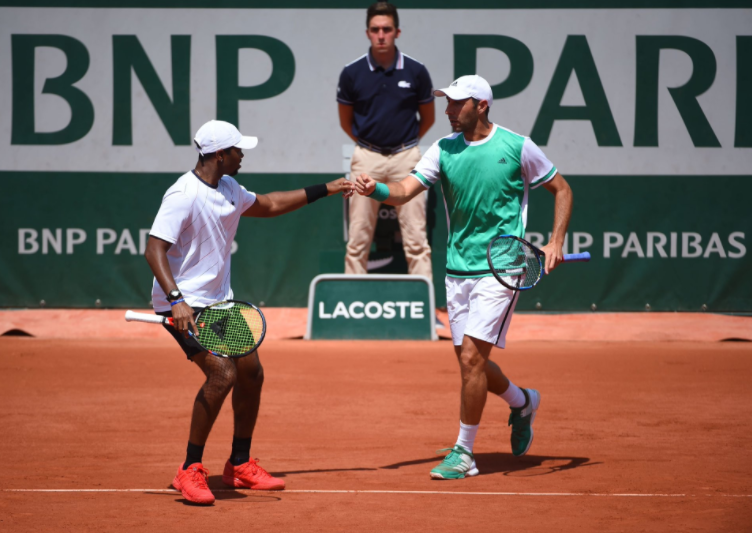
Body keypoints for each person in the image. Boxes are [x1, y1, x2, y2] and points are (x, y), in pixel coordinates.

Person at [355, 75, 573, 480]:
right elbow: (405, 190)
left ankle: (464, 454)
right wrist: (376, 189)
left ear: (481, 106)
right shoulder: (443, 149)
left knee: (472, 359)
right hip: (458, 270)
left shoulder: (517, 146)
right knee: (470, 364)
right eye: (448, 103)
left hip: (502, 268)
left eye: (457, 104)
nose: (449, 111)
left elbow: (561, 189)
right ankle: (523, 400)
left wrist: (556, 240)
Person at [145, 120, 353, 504]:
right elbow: (154, 248)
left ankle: (239, 465)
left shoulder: (228, 188)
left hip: (219, 303)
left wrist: (328, 188)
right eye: (239, 150)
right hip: (184, 304)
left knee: (251, 373)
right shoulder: (183, 194)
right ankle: (189, 469)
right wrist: (176, 300)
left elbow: (271, 204)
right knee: (222, 373)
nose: (244, 156)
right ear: (221, 155)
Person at [337, 1, 435, 278]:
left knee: (417, 240)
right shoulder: (352, 73)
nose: (381, 35)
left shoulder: (416, 71)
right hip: (366, 158)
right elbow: (346, 121)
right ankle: (353, 307)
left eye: (387, 29)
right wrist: (370, 147)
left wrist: (405, 145)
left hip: (407, 158)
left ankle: (423, 309)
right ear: (367, 32)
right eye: (375, 29)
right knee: (357, 240)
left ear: (397, 32)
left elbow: (428, 118)